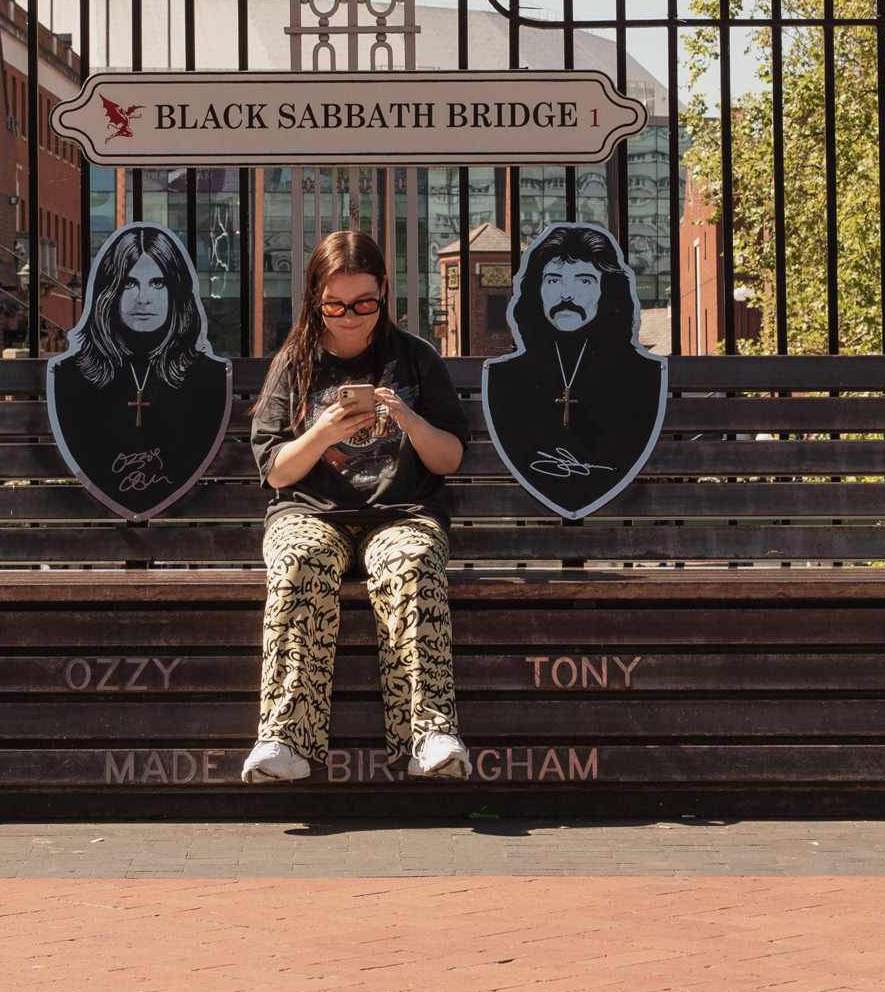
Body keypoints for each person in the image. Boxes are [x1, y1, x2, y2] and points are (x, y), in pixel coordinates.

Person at [241, 228, 471, 782]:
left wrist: (407, 418)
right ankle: (285, 741)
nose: (351, 316)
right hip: (309, 513)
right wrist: (322, 432)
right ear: (314, 298)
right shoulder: (293, 364)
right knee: (298, 563)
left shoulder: (416, 360)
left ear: (384, 293)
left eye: (365, 303)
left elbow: (448, 460)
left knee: (413, 564)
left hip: (402, 514)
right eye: (335, 304)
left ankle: (429, 733)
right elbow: (275, 470)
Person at [45, 221, 233, 521]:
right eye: (129, 283)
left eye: (157, 283)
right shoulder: (70, 374)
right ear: (109, 292)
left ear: (176, 292)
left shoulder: (208, 375)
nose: (143, 298)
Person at [481, 221, 667, 520]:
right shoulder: (505, 377)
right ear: (536, 290)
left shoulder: (642, 375)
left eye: (583, 281)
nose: (566, 295)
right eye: (554, 281)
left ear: (606, 290)